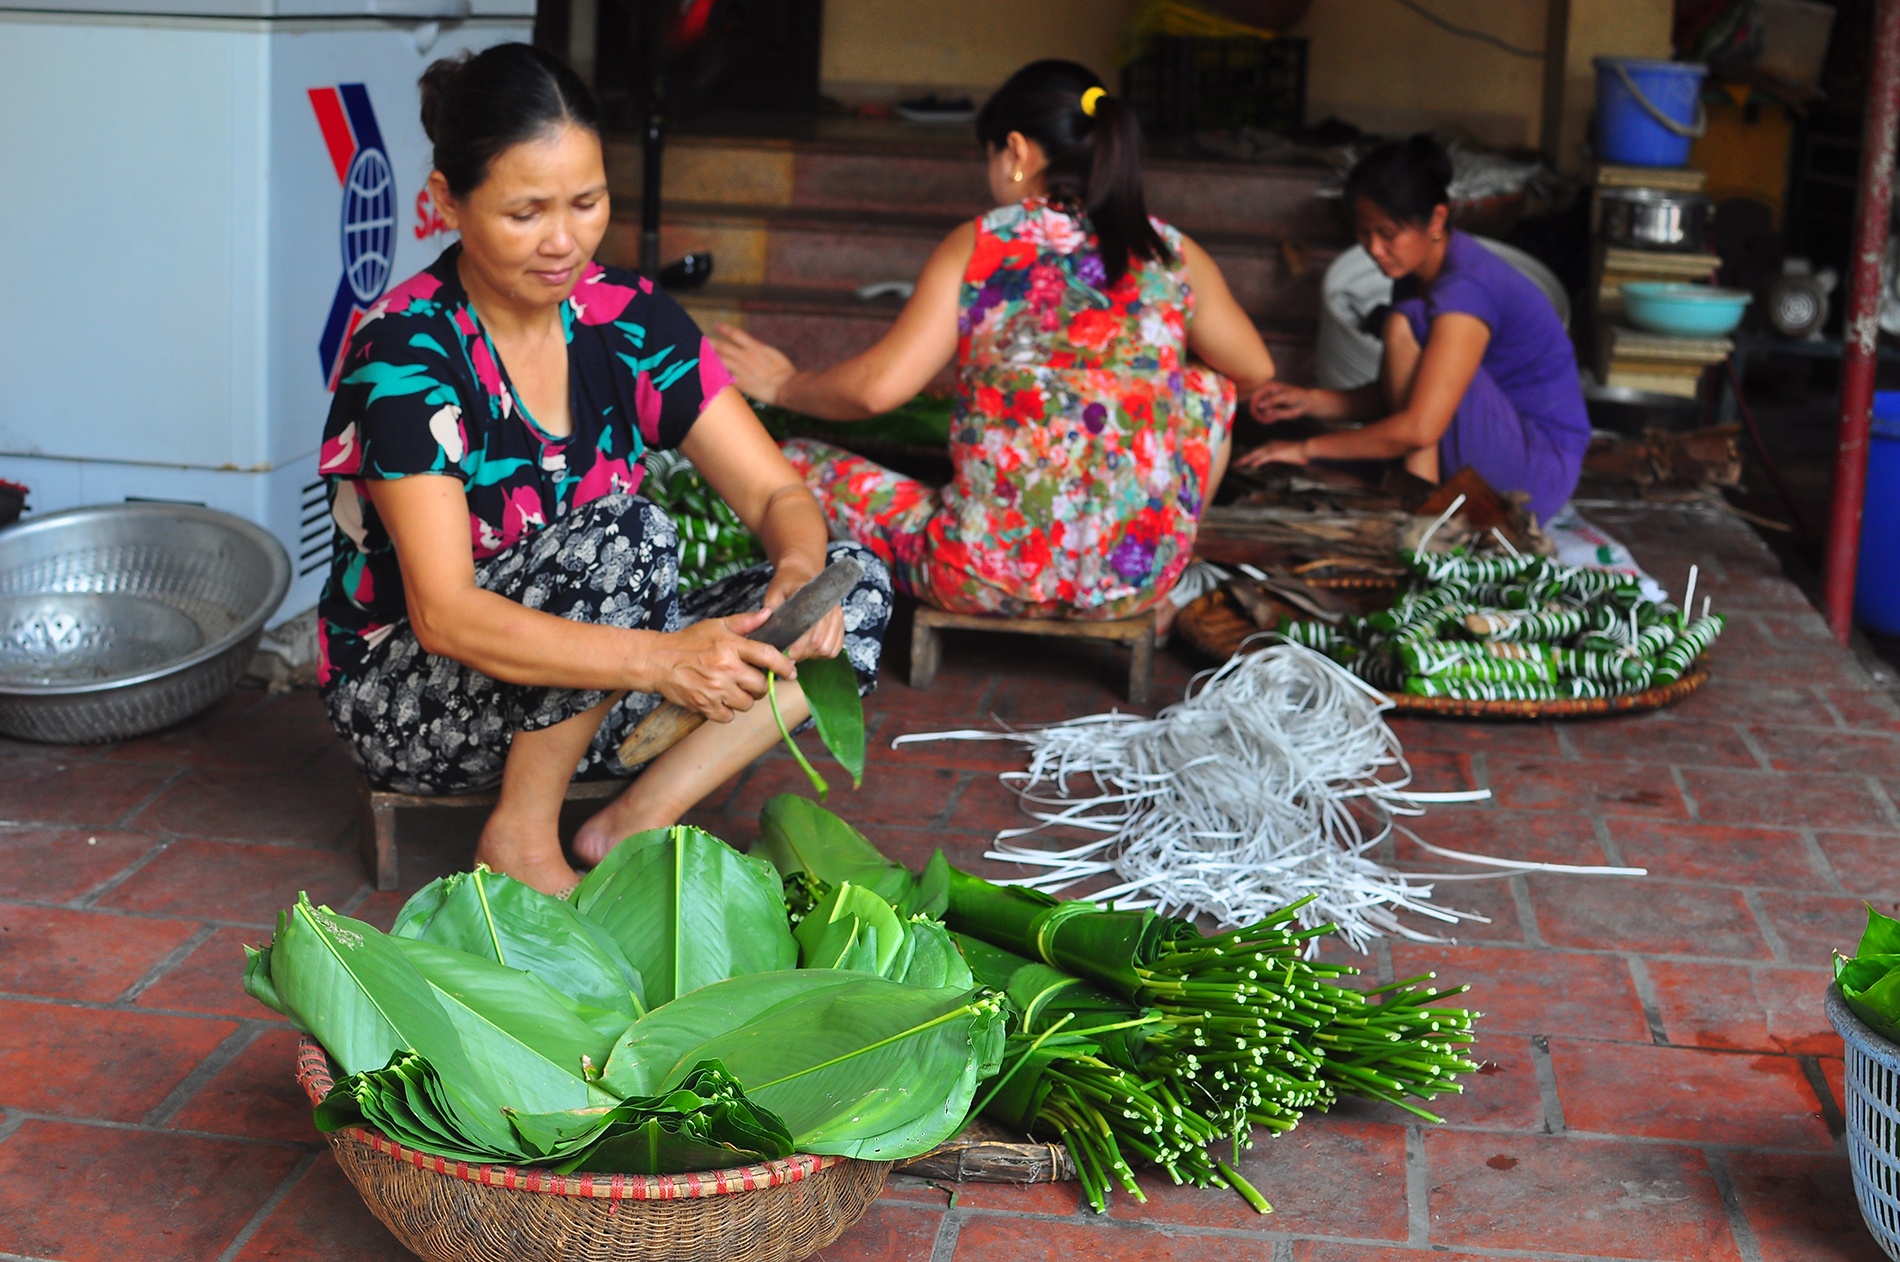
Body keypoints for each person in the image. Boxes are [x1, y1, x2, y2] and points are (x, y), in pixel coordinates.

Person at [315, 43, 891, 895]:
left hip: (601, 676)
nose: (564, 240)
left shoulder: (627, 319)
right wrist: (662, 663)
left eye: (587, 203)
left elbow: (774, 491)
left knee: (859, 586)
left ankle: (630, 823)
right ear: (446, 203)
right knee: (626, 536)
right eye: (526, 213)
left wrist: (796, 582)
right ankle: (519, 838)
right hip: (422, 700)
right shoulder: (406, 352)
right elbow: (443, 615)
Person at [710, 59, 1277, 628]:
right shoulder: (1169, 252)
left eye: (992, 155)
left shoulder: (984, 244)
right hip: (1130, 585)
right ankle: (1147, 549)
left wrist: (785, 384)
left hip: (978, 574)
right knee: (1210, 385)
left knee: (785, 465)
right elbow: (1253, 369)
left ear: (1017, 150)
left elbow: (877, 392)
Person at [1240, 135, 1590, 524]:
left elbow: (1421, 426)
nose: (1374, 248)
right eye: (1363, 232)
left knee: (1405, 324)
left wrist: (1306, 447)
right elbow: (1409, 391)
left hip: (1534, 470)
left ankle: (1422, 513)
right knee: (1327, 475)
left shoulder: (1466, 290)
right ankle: (1419, 500)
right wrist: (1310, 401)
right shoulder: (1415, 275)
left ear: (1437, 220)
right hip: (1490, 440)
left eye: (1388, 234)